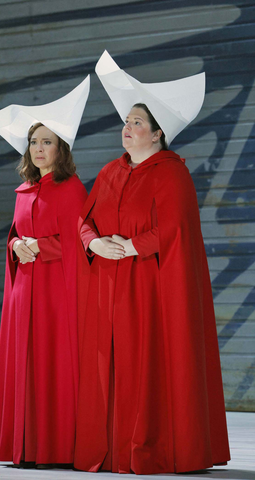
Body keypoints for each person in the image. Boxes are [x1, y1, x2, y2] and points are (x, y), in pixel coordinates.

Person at [74, 52, 230, 475]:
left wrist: (129, 246)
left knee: (145, 368)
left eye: (137, 123)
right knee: (110, 369)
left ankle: (148, 448)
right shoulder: (109, 172)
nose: (126, 129)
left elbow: (177, 231)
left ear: (159, 133)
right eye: (126, 121)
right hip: (108, 288)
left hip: (148, 290)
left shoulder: (172, 173)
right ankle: (109, 448)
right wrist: (93, 244)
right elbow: (84, 222)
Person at [0, 77, 89, 467]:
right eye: (34, 142)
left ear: (61, 149)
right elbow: (16, 234)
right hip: (25, 290)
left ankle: (55, 447)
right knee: (24, 364)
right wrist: (16, 246)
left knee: (54, 364)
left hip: (57, 293)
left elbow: (79, 242)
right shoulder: (23, 190)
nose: (39, 149)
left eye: (47, 142)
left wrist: (40, 245)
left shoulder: (72, 189)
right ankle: (23, 445)